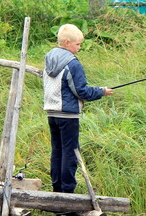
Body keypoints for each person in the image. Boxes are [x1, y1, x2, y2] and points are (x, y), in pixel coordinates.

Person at [43, 24, 113, 194]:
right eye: (78, 44)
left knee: (57, 150)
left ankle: (57, 187)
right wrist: (101, 91)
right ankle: (68, 190)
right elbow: (81, 91)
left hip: (52, 112)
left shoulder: (49, 58)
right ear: (67, 43)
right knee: (70, 151)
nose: (80, 48)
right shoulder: (72, 64)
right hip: (68, 114)